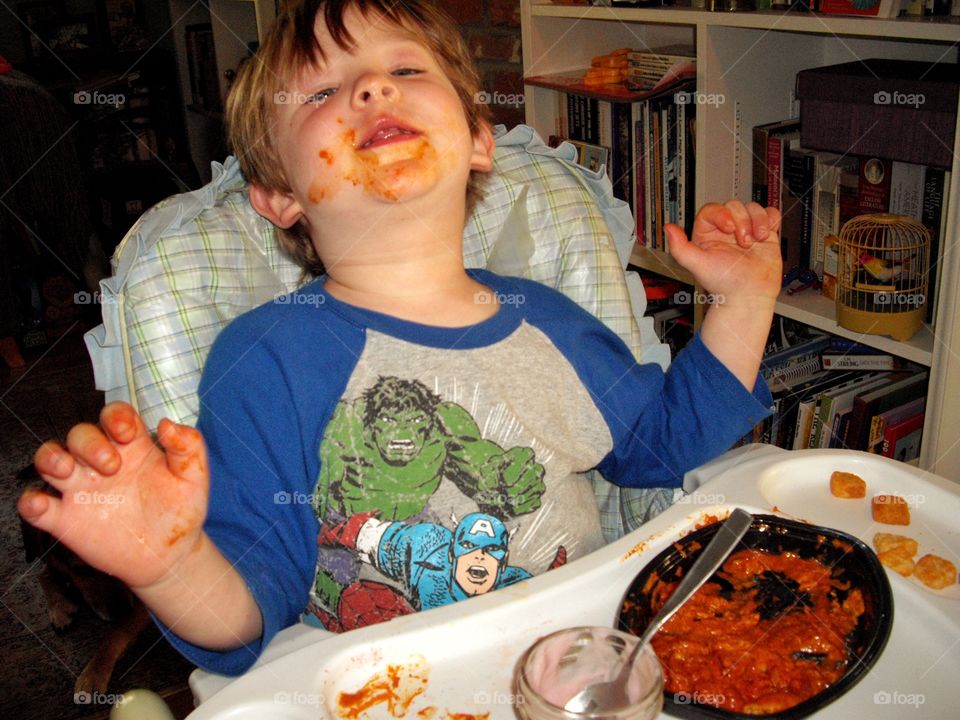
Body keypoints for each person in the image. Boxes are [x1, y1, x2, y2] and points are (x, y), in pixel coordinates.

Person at [18, 0, 781, 676]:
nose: (373, 88)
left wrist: (743, 301)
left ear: (480, 141)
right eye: (322, 91)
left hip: (577, 667)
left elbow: (661, 446)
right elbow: (251, 610)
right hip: (396, 691)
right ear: (280, 193)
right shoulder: (267, 360)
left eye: (405, 68)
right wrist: (169, 565)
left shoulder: (550, 321)